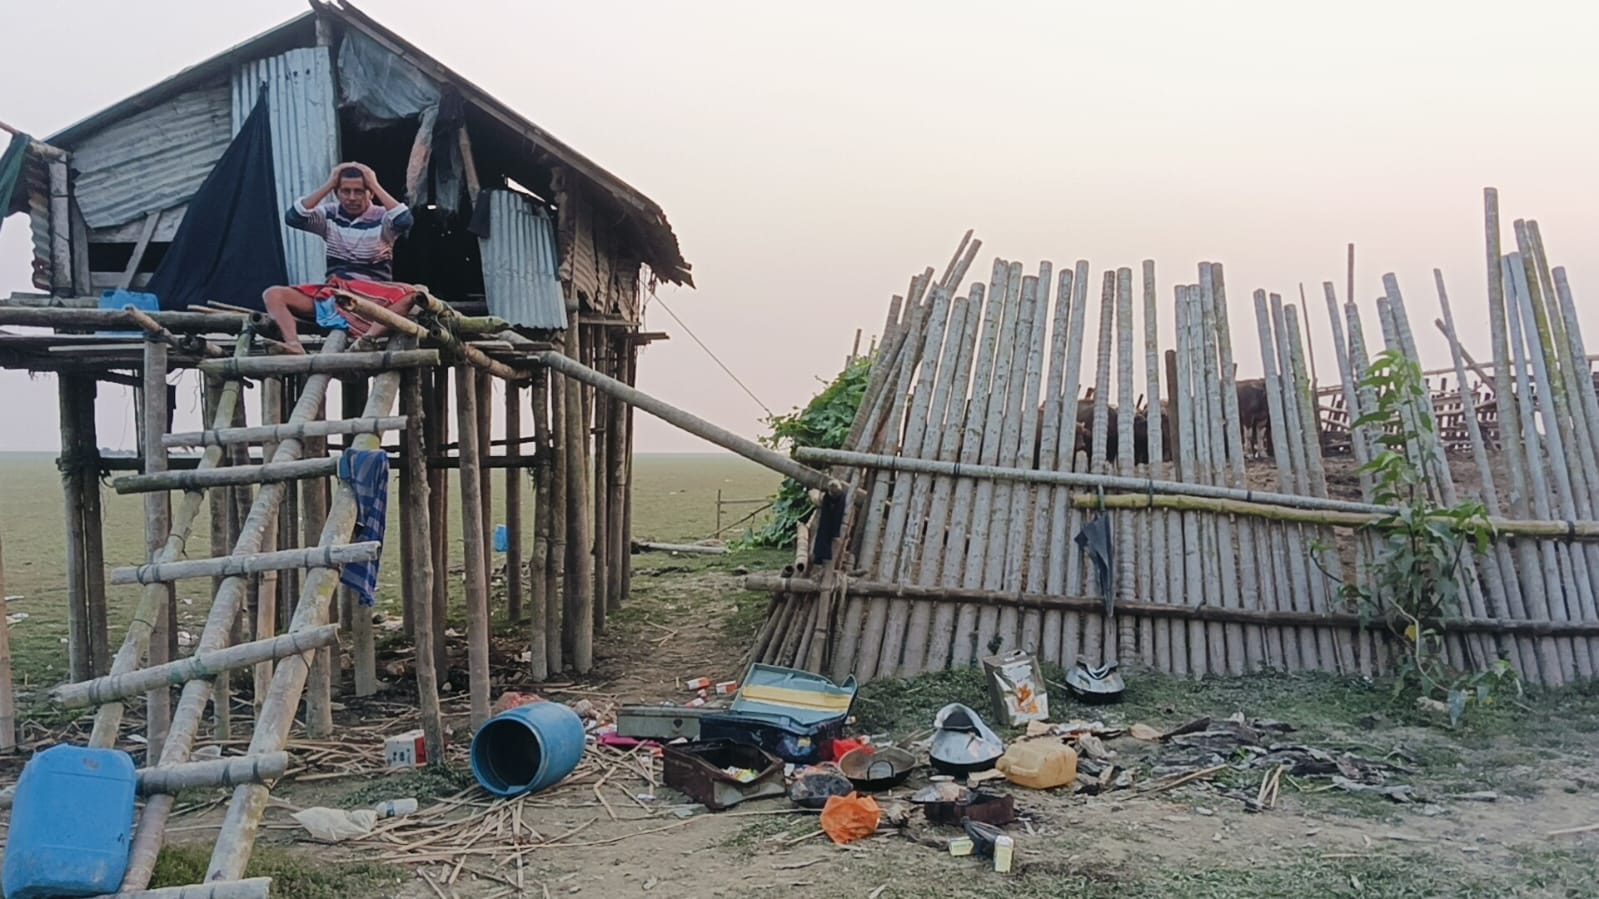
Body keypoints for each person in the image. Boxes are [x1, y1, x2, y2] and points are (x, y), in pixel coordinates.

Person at [262, 162, 416, 353]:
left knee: (410, 296)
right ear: (337, 192)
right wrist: (329, 184)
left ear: (370, 194)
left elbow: (405, 220)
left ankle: (367, 338)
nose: (352, 197)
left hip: (373, 299)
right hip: (334, 295)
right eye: (345, 191)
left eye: (359, 191)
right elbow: (294, 217)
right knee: (273, 294)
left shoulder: (383, 218)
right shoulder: (330, 215)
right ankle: (294, 345)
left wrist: (374, 183)